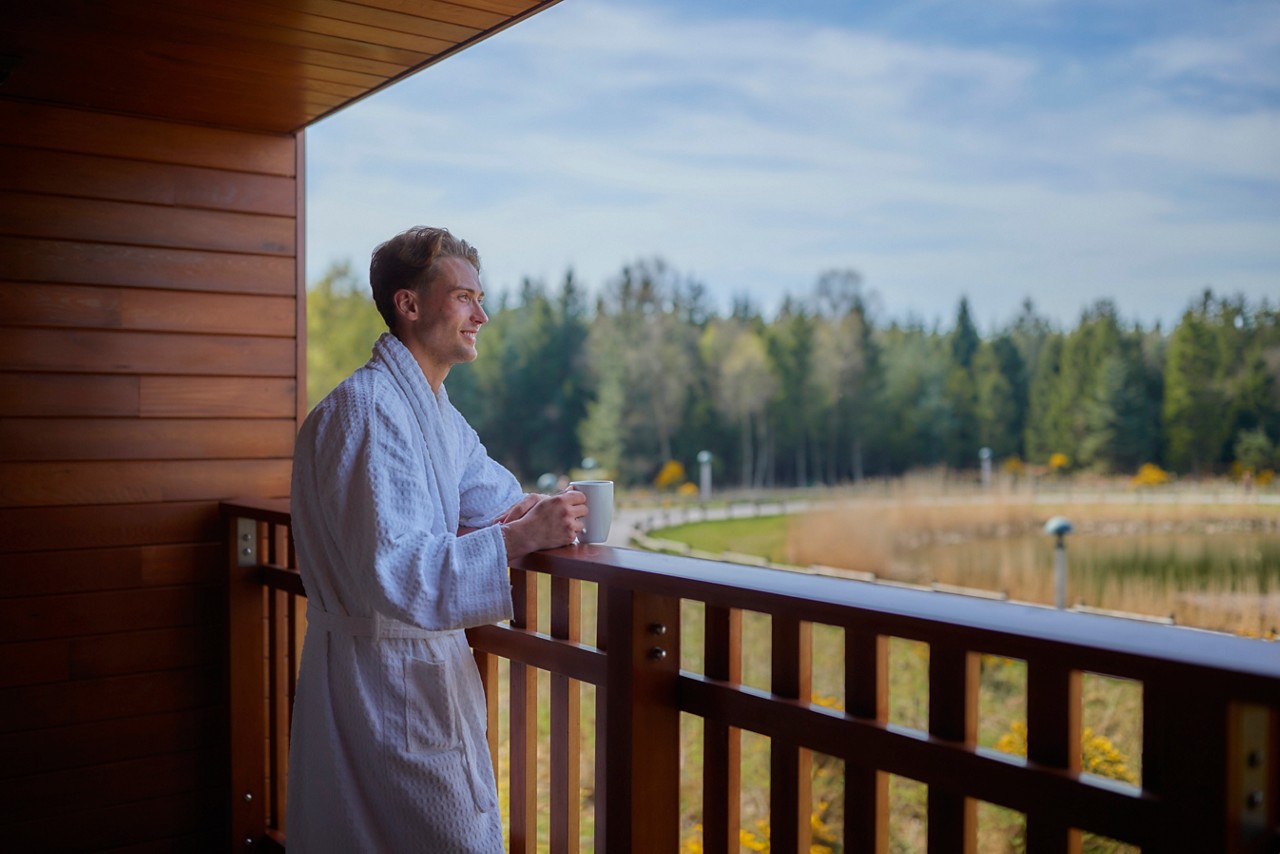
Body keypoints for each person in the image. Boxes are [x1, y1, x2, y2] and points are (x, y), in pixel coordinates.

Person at [286, 226, 587, 852]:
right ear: (410, 304)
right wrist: (517, 538)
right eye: (465, 298)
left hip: (384, 675)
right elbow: (398, 570)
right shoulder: (370, 410)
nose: (483, 314)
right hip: (389, 684)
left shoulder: (430, 409)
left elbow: (491, 495)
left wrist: (533, 513)